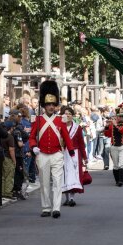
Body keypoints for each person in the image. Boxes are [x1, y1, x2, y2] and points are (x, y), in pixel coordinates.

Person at [29, 80, 75, 219]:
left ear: (55, 105)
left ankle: (56, 208)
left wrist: (71, 152)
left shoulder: (61, 120)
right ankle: (46, 207)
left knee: (57, 182)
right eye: (48, 104)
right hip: (42, 154)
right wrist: (33, 147)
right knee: (44, 183)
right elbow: (32, 137)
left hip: (57, 154)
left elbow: (66, 137)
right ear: (44, 105)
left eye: (52, 104)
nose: (50, 106)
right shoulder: (37, 120)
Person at [60, 106, 88, 207]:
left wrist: (85, 157)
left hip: (74, 154)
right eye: (65, 114)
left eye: (70, 114)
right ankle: (66, 198)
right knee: (64, 176)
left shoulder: (77, 127)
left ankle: (72, 198)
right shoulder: (59, 127)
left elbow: (81, 143)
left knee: (73, 176)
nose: (68, 116)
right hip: (63, 153)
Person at [104, 105, 123, 187]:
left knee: (122, 164)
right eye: (119, 116)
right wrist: (107, 126)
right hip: (114, 147)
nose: (121, 118)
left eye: (122, 116)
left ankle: (121, 181)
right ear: (116, 116)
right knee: (115, 165)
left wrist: (116, 125)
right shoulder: (112, 124)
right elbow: (107, 134)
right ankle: (117, 180)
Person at [1, 121, 16, 199]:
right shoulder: (10, 137)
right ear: (10, 128)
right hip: (8, 157)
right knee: (9, 175)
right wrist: (14, 160)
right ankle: (7, 192)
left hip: (1, 157)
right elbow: (11, 150)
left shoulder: (0, 136)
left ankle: (2, 191)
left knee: (2, 175)